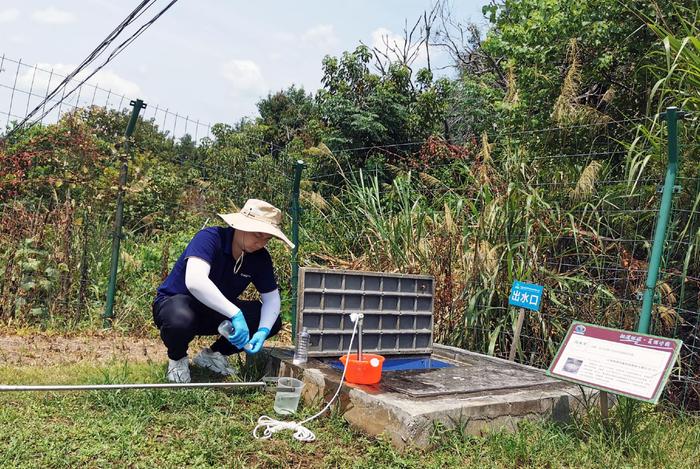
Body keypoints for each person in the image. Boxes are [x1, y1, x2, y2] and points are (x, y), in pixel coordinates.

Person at [152, 199, 294, 383]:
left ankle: (214, 355)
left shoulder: (260, 258)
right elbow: (195, 281)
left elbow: (272, 299)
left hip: (214, 311)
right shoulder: (210, 238)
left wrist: (263, 331)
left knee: (271, 320)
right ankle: (177, 359)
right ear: (241, 226)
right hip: (176, 306)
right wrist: (235, 314)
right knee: (180, 318)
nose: (261, 242)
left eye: (267, 238)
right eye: (257, 234)